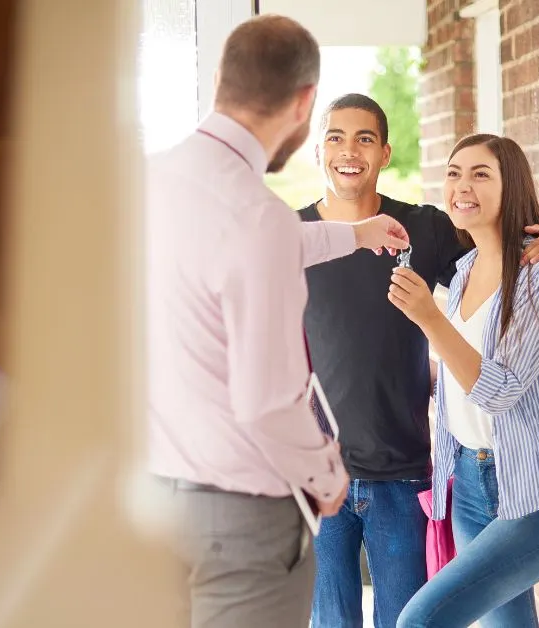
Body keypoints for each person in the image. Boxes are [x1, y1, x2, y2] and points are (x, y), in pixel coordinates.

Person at [144, 16, 414, 628]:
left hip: (157, 502)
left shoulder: (149, 180)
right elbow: (267, 400)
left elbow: (255, 245)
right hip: (241, 520)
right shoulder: (255, 216)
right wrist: (325, 473)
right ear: (305, 103)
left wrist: (354, 234)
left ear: (220, 80)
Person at [299, 94, 539, 628]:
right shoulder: (293, 240)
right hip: (317, 475)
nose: (349, 150)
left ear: (385, 153)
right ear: (318, 150)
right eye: (336, 137)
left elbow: (508, 270)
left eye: (365, 138)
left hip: (405, 472)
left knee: (411, 618)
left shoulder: (424, 230)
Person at [388, 133, 539, 627]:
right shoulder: (462, 273)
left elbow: (498, 390)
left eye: (481, 174)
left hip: (538, 488)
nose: (462, 185)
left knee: (420, 620)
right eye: (454, 173)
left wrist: (428, 319)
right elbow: (463, 376)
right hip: (472, 480)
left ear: (512, 186)